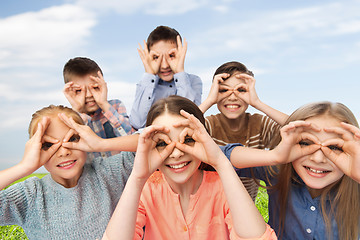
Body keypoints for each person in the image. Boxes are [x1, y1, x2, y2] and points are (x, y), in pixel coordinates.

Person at [102, 96, 277, 240]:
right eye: (162, 143)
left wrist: (221, 162)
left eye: (187, 140)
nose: (176, 153)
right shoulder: (146, 190)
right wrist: (137, 177)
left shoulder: (221, 186)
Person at [222, 101, 360, 239]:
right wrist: (274, 156)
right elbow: (215, 156)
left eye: (334, 147)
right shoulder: (278, 171)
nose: (318, 158)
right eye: (305, 143)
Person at [0, 105, 137, 240]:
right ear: (35, 149)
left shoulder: (109, 172)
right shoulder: (31, 195)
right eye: (48, 145)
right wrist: (24, 166)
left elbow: (155, 142)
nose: (64, 152)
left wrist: (101, 144)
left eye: (72, 139)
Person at [199, 61, 288, 200]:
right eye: (223, 90)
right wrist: (209, 100)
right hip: (211, 206)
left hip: (246, 208)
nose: (232, 96)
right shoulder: (209, 125)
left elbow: (300, 127)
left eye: (241, 90)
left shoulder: (259, 124)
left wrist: (257, 103)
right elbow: (178, 128)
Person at [130, 26, 203, 130]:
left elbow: (187, 121)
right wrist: (149, 73)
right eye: (156, 57)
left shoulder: (193, 81)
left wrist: (179, 72)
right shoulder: (146, 84)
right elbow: (138, 123)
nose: (164, 65)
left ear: (181, 54)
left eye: (171, 55)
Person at [63, 57, 134, 160]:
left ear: (103, 86)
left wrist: (104, 104)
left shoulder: (115, 106)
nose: (88, 95)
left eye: (95, 88)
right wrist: (77, 110)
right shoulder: (68, 118)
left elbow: (132, 139)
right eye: (79, 91)